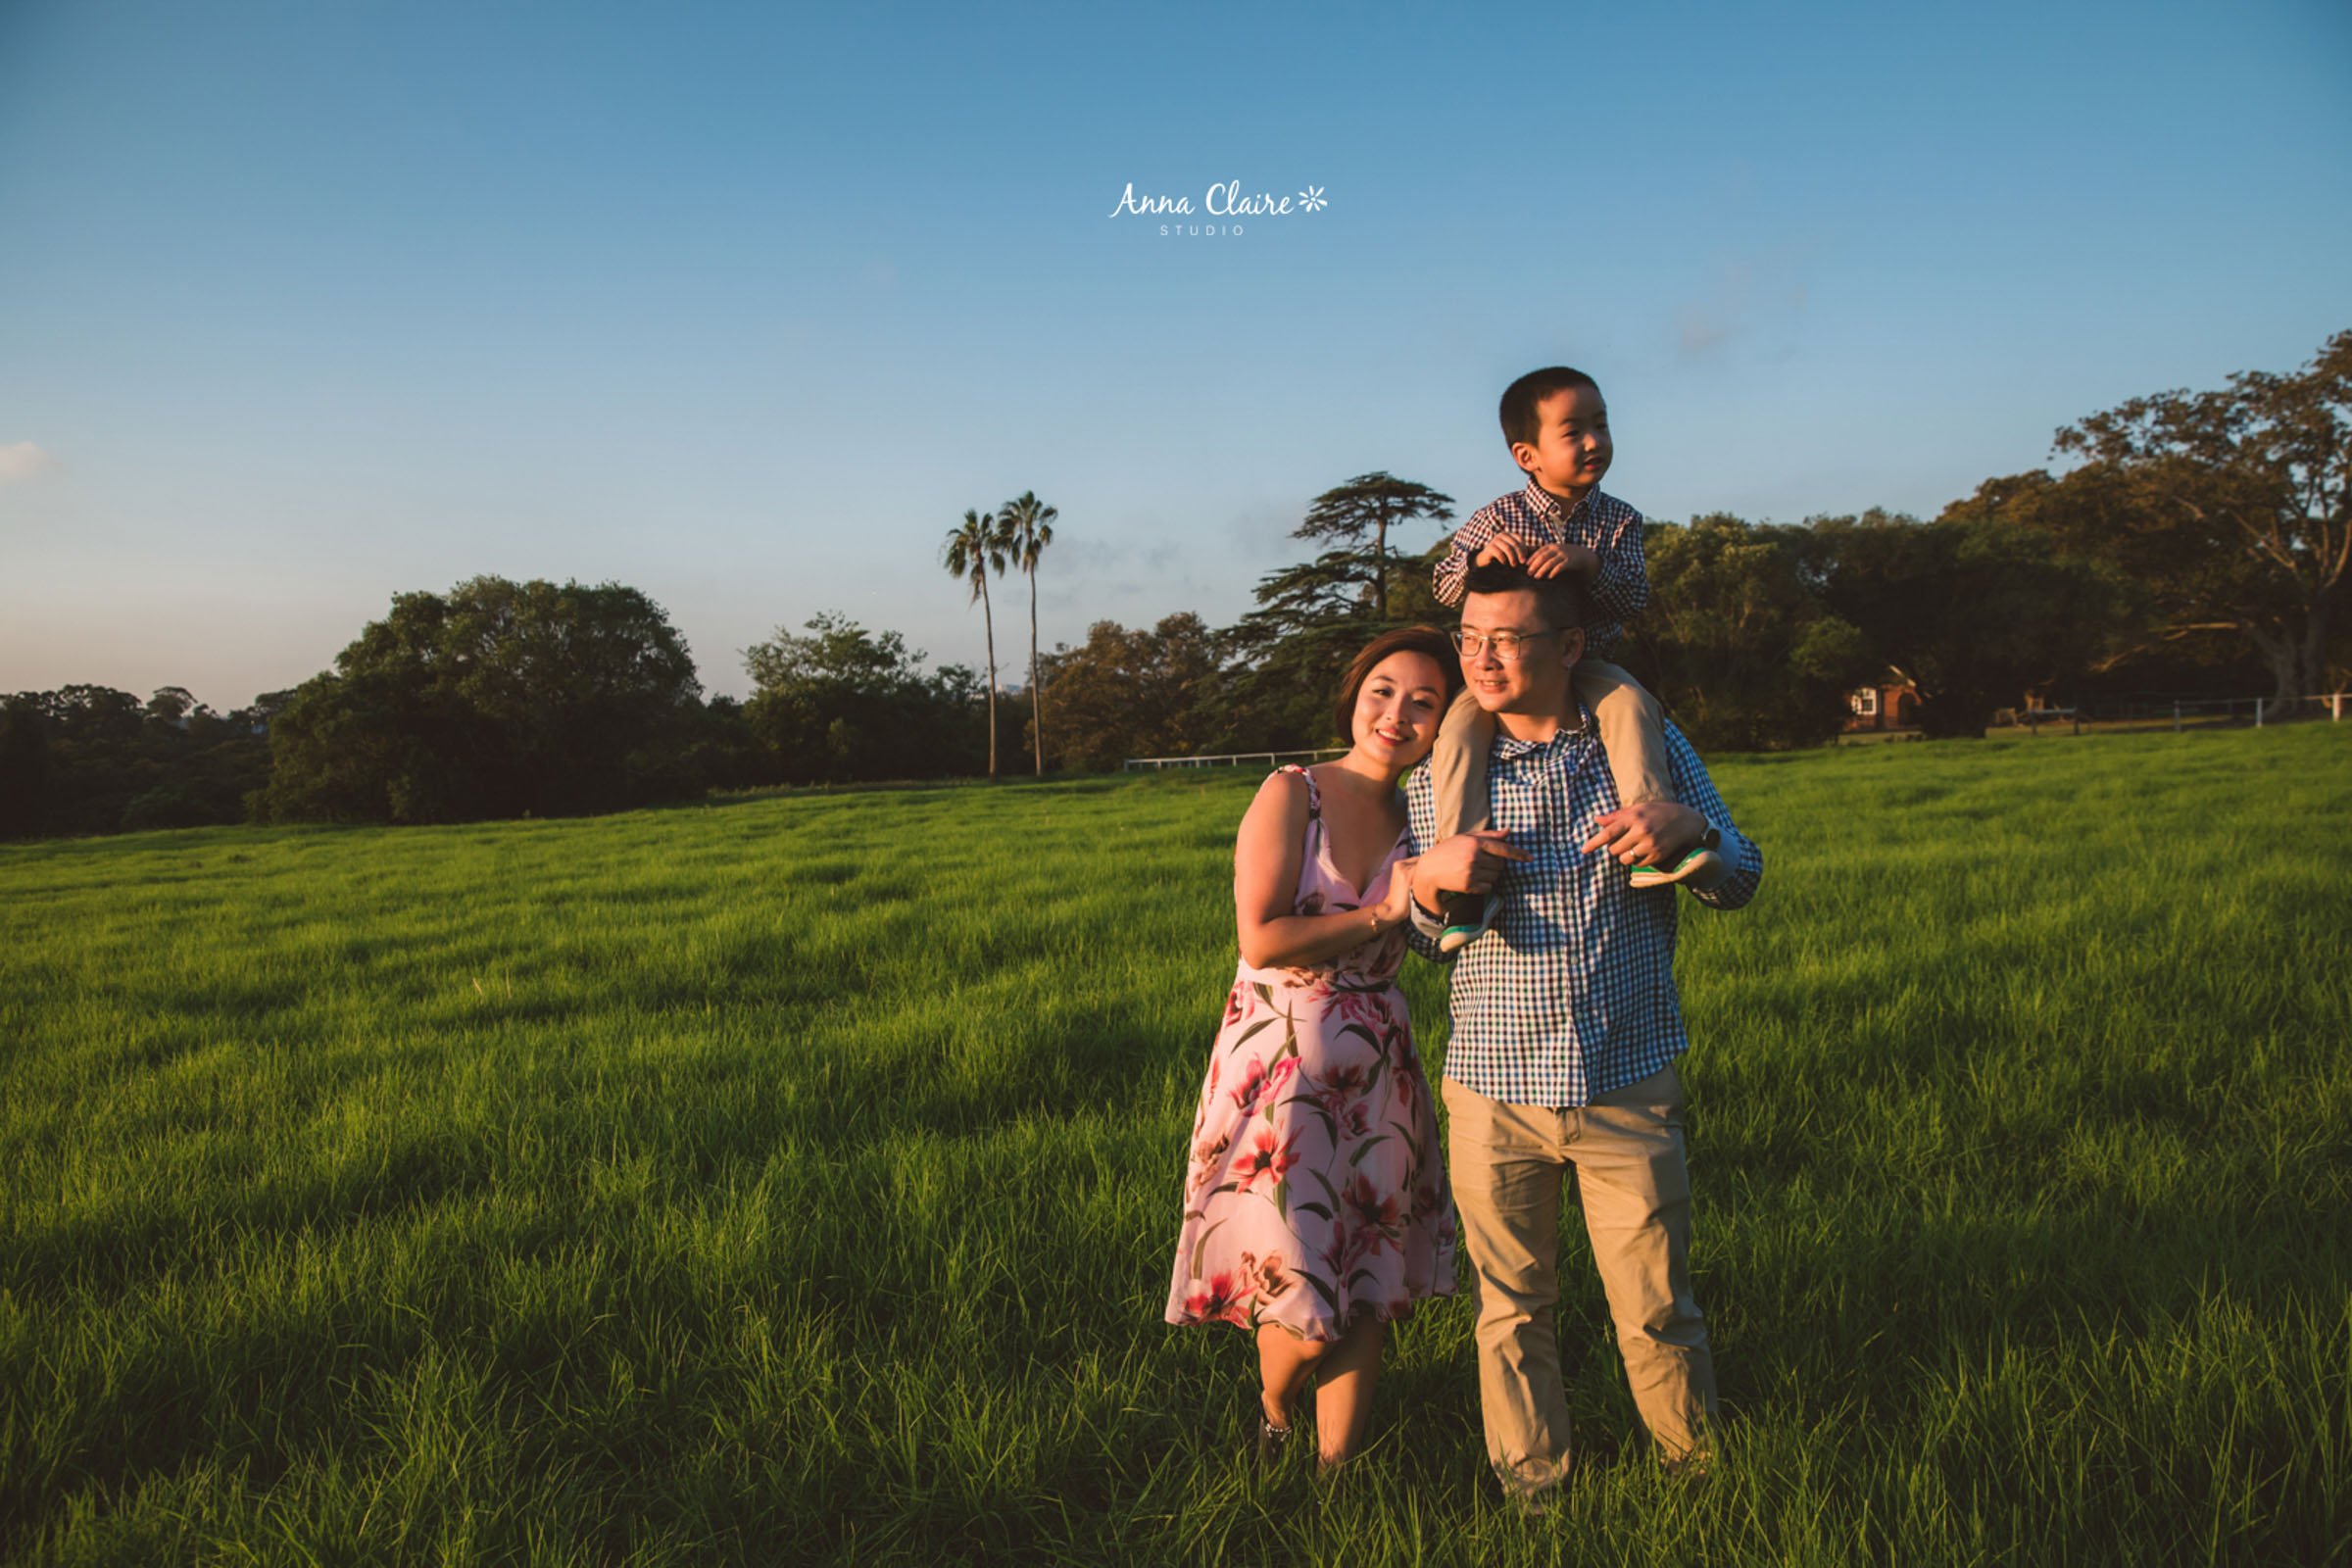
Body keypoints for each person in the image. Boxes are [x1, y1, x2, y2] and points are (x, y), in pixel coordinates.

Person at [1403, 560, 1764, 1511]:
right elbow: (1428, 944)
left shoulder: (1644, 743)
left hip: (1626, 1078)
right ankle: (1534, 1494)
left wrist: (1694, 838)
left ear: (1570, 646)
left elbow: (1741, 878)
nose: (1481, 659)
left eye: (1507, 639)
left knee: (1658, 1306)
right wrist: (1431, 885)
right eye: (1469, 640)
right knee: (1510, 1312)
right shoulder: (1444, 771)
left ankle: (1697, 1481)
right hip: (1492, 1090)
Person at [1164, 626, 1463, 1472]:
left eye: (1424, 702)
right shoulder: (1293, 792)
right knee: (1299, 1298)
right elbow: (1261, 938)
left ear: (1447, 723)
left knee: (1367, 1286)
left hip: (1380, 1074)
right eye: (1382, 692)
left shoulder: (1429, 815)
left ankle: (1337, 1478)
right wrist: (1383, 912)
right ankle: (1274, 1407)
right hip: (1278, 1076)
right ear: (1353, 696)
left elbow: (1446, 934)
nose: (1397, 714)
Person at [1426, 367, 1724, 954]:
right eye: (1573, 431)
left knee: (1631, 703)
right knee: (1457, 732)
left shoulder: (1619, 520)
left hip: (1591, 666)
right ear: (1527, 455)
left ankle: (1653, 838)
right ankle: (1465, 882)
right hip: (1507, 673)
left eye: (1601, 426)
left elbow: (1633, 598)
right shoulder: (1495, 516)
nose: (1594, 442)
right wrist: (1479, 559)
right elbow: (1443, 584)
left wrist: (1591, 565)